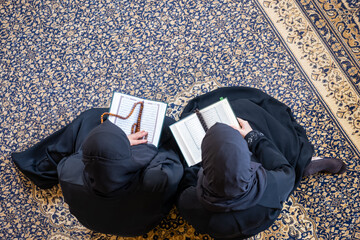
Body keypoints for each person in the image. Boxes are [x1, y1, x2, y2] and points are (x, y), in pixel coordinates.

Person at [176, 86, 346, 240]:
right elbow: (284, 168)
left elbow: (186, 179)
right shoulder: (274, 183)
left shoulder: (189, 200)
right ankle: (305, 163)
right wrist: (251, 137)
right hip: (262, 214)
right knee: (247, 112)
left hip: (222, 229)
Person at [12, 108, 183, 236]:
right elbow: (170, 159)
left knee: (90, 118)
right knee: (169, 128)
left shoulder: (67, 171)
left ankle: (39, 167)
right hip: (138, 227)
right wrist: (135, 149)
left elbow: (82, 155)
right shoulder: (156, 177)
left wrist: (114, 148)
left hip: (91, 221)